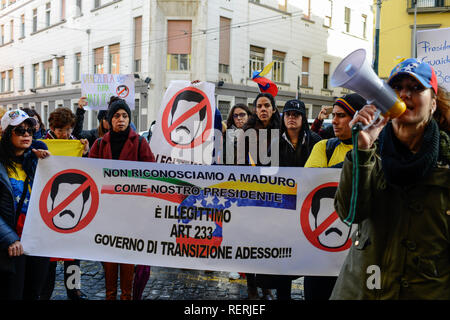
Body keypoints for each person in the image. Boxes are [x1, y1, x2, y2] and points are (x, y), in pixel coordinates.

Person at [331, 59, 449, 300]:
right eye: (397, 88)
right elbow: (349, 214)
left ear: (433, 104)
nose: (405, 94)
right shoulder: (370, 151)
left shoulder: (446, 162)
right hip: (362, 291)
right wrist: (362, 149)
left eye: (416, 88)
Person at [89, 98, 155, 300]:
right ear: (109, 120)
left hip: (132, 212)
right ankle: (111, 295)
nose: (121, 119)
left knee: (127, 255)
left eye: (125, 116)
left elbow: (152, 172)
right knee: (108, 257)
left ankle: (126, 296)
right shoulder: (100, 144)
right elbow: (89, 173)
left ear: (129, 119)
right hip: (107, 212)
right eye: (117, 116)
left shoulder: (141, 142)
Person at [303, 93, 366, 300]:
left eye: (341, 116)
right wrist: (356, 159)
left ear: (358, 118)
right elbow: (313, 181)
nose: (334, 121)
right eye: (334, 115)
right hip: (320, 256)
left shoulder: (376, 151)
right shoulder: (323, 146)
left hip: (357, 254)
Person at [39, 107, 90, 300]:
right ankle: (46, 291)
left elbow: (85, 169)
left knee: (73, 253)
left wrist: (85, 152)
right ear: (53, 127)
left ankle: (73, 290)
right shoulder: (42, 143)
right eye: (61, 130)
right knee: (48, 257)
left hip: (73, 203)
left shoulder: (75, 143)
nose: (65, 134)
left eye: (68, 129)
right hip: (51, 203)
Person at [0, 109, 51, 300]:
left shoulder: (36, 160)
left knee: (34, 294)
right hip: (11, 246)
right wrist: (9, 238)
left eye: (30, 130)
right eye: (20, 131)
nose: (27, 134)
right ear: (6, 134)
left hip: (37, 242)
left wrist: (47, 163)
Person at [241, 92, 281, 300]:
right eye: (259, 106)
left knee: (267, 241)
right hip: (250, 195)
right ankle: (251, 286)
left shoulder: (282, 131)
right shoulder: (246, 132)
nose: (263, 109)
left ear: (273, 108)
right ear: (255, 110)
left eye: (267, 105)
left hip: (274, 195)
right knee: (250, 239)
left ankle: (265, 285)